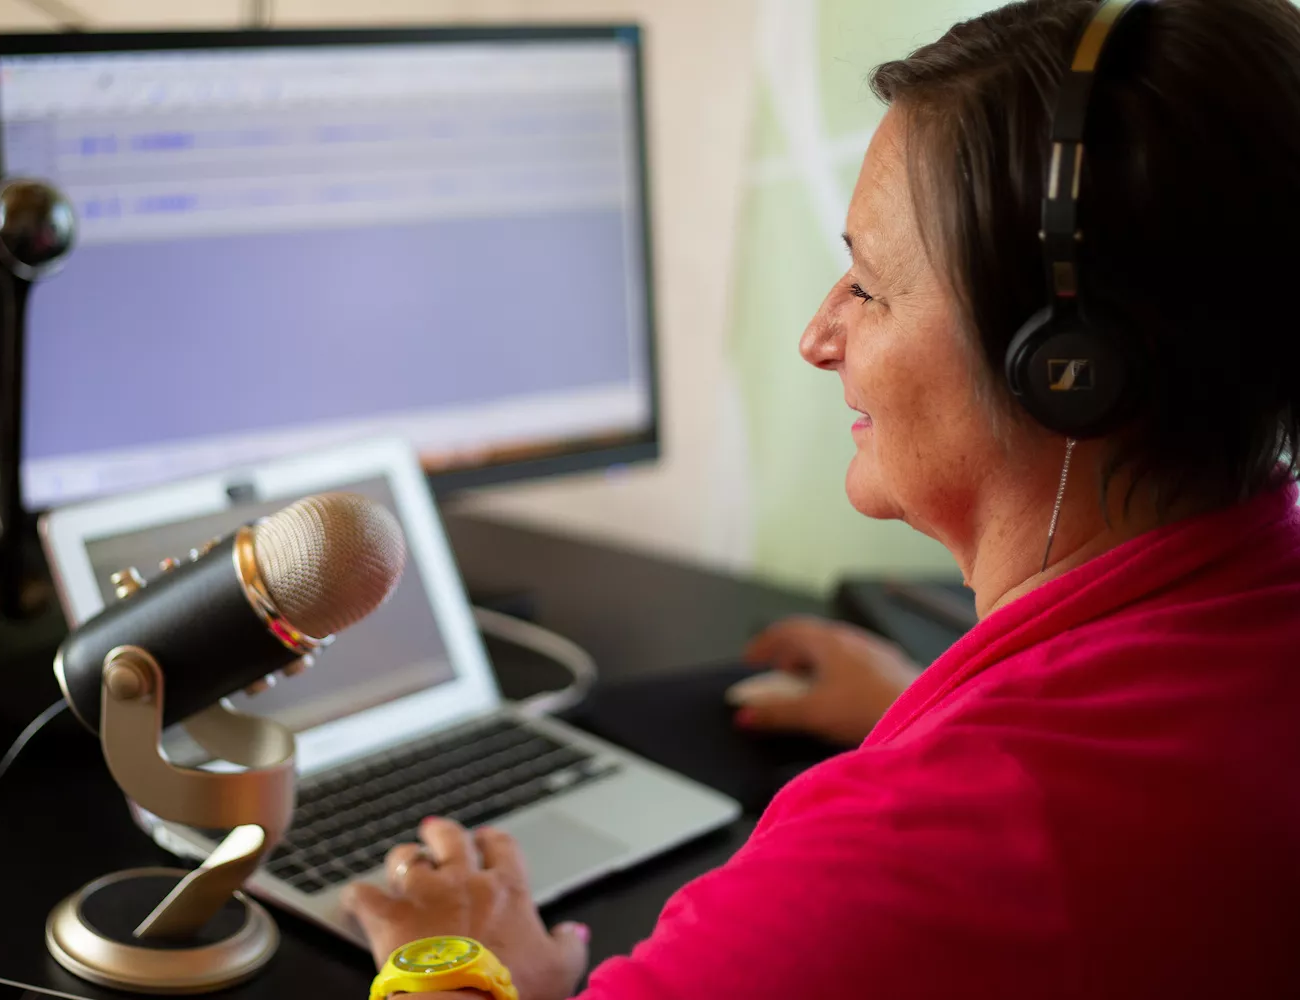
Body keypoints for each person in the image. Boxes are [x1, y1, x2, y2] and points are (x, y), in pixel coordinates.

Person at [342, 0, 1300, 995]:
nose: (816, 335)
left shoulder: (891, 863)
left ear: (1069, 369)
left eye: (870, 287)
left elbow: (996, 856)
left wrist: (449, 955)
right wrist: (927, 713)